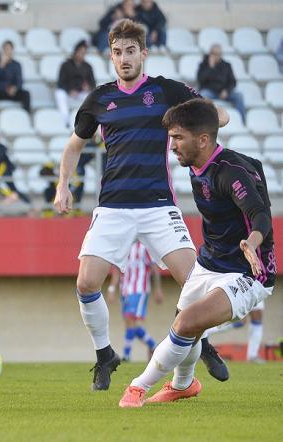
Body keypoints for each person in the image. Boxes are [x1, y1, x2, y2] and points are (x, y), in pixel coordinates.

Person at [53, 19, 229, 391]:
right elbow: (73, 146)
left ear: (143, 54)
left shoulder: (166, 91)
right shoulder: (99, 99)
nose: (124, 58)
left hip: (158, 205)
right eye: (117, 52)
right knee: (86, 282)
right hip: (113, 207)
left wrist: (213, 120)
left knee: (195, 282)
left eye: (131, 51)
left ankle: (206, 343)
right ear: (111, 56)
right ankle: (105, 355)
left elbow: (213, 113)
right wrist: (63, 185)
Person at [119, 98, 275, 407]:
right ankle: (183, 385)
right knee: (185, 324)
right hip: (210, 262)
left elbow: (260, 215)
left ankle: (137, 387)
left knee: (187, 322)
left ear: (202, 140)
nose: (172, 145)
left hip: (248, 270)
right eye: (171, 137)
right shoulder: (198, 160)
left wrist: (253, 244)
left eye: (178, 138)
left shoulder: (230, 172)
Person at [107, 241, 163, 361]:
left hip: (139, 289)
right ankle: (154, 345)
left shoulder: (144, 247)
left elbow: (154, 268)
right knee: (130, 323)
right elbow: (116, 271)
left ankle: (126, 355)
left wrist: (157, 289)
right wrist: (111, 289)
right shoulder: (121, 247)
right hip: (125, 291)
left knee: (130, 319)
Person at [197, 44, 246, 123]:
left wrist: (226, 91)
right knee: (203, 95)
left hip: (224, 92)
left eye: (218, 54)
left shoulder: (226, 65)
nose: (216, 56)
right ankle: (204, 122)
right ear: (210, 54)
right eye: (214, 54)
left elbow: (233, 82)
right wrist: (210, 67)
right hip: (210, 91)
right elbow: (201, 80)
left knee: (239, 96)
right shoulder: (203, 65)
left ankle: (241, 122)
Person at [55, 40, 95, 128]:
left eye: (84, 53)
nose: (82, 55)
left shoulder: (88, 67)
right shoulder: (65, 65)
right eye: (80, 52)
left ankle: (85, 122)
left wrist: (88, 87)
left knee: (91, 97)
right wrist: (69, 91)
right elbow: (60, 83)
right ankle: (65, 121)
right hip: (68, 93)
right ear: (75, 52)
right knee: (59, 94)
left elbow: (93, 84)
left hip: (81, 93)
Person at [0, 41, 31, 112]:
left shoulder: (16, 64)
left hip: (12, 92)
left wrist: (15, 88)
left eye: (9, 49)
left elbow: (20, 81)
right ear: (2, 50)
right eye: (6, 49)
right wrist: (1, 65)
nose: (8, 52)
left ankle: (26, 114)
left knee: (26, 94)